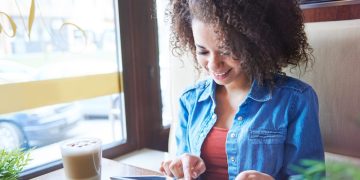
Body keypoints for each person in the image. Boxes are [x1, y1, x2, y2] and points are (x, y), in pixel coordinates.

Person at [159, 0, 324, 179]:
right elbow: (181, 170)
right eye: (203, 52)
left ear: (255, 44)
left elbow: (310, 177)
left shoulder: (296, 100)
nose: (214, 64)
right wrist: (181, 168)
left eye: (226, 50)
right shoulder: (190, 100)